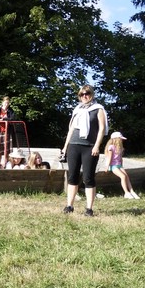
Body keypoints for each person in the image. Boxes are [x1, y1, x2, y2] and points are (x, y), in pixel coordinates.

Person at [61, 84, 107, 217]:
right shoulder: (77, 109)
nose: (84, 96)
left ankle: (89, 209)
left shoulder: (98, 109)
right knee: (72, 176)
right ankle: (69, 206)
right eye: (82, 94)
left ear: (92, 94)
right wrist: (65, 147)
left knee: (88, 178)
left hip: (90, 147)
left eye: (87, 94)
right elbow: (71, 129)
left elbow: (102, 129)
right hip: (74, 145)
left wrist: (97, 146)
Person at [104, 132, 140, 199]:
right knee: (123, 176)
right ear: (116, 139)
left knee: (126, 176)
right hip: (113, 166)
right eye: (120, 139)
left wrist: (121, 166)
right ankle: (126, 192)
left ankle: (132, 191)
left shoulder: (120, 148)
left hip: (119, 165)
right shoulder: (111, 147)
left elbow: (120, 158)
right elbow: (109, 158)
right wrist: (107, 167)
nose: (122, 140)